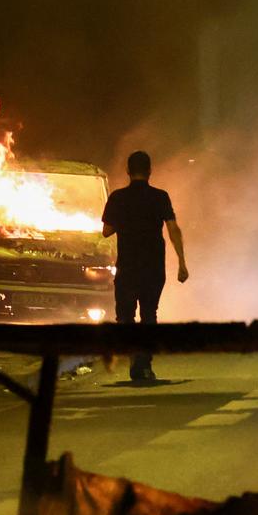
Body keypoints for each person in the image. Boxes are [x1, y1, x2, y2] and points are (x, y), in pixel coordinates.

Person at [101, 150, 189, 381]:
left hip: (127, 266)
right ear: (150, 171)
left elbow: (106, 231)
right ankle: (145, 365)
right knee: (149, 314)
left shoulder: (117, 198)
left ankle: (134, 359)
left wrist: (125, 222)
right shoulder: (160, 197)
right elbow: (173, 230)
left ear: (128, 171)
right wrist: (182, 262)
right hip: (153, 267)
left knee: (126, 316)